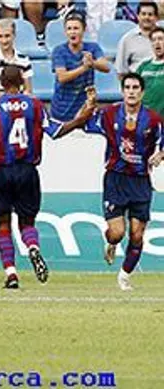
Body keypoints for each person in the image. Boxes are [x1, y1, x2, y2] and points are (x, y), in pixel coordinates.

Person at [0, 65, 90, 289]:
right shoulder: (35, 106)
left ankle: (11, 273)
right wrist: (78, 121)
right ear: (22, 82)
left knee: (3, 223)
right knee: (27, 221)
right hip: (27, 169)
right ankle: (33, 247)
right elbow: (55, 131)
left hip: (1, 171)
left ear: (2, 84)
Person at [65, 75, 164, 291]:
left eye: (135, 87)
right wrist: (89, 105)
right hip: (115, 179)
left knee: (137, 234)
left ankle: (124, 276)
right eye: (127, 87)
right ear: (122, 91)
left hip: (140, 181)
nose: (131, 91)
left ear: (142, 92)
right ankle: (111, 242)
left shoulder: (154, 120)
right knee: (118, 232)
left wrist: (160, 155)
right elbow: (83, 123)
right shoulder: (109, 114)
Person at [51, 10, 109, 123]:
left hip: (85, 107)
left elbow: (106, 67)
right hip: (62, 108)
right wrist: (84, 68)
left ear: (84, 29)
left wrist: (93, 63)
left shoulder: (93, 47)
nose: (72, 32)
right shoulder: (59, 51)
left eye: (76, 28)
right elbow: (62, 77)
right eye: (69, 29)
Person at [116, 1, 159, 78]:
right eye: (143, 14)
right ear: (138, 16)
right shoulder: (127, 39)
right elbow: (121, 72)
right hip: (138, 84)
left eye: (150, 14)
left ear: (156, 17)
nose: (146, 17)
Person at [136, 26, 164, 116]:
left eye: (160, 39)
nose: (157, 43)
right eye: (153, 40)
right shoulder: (143, 66)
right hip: (146, 119)